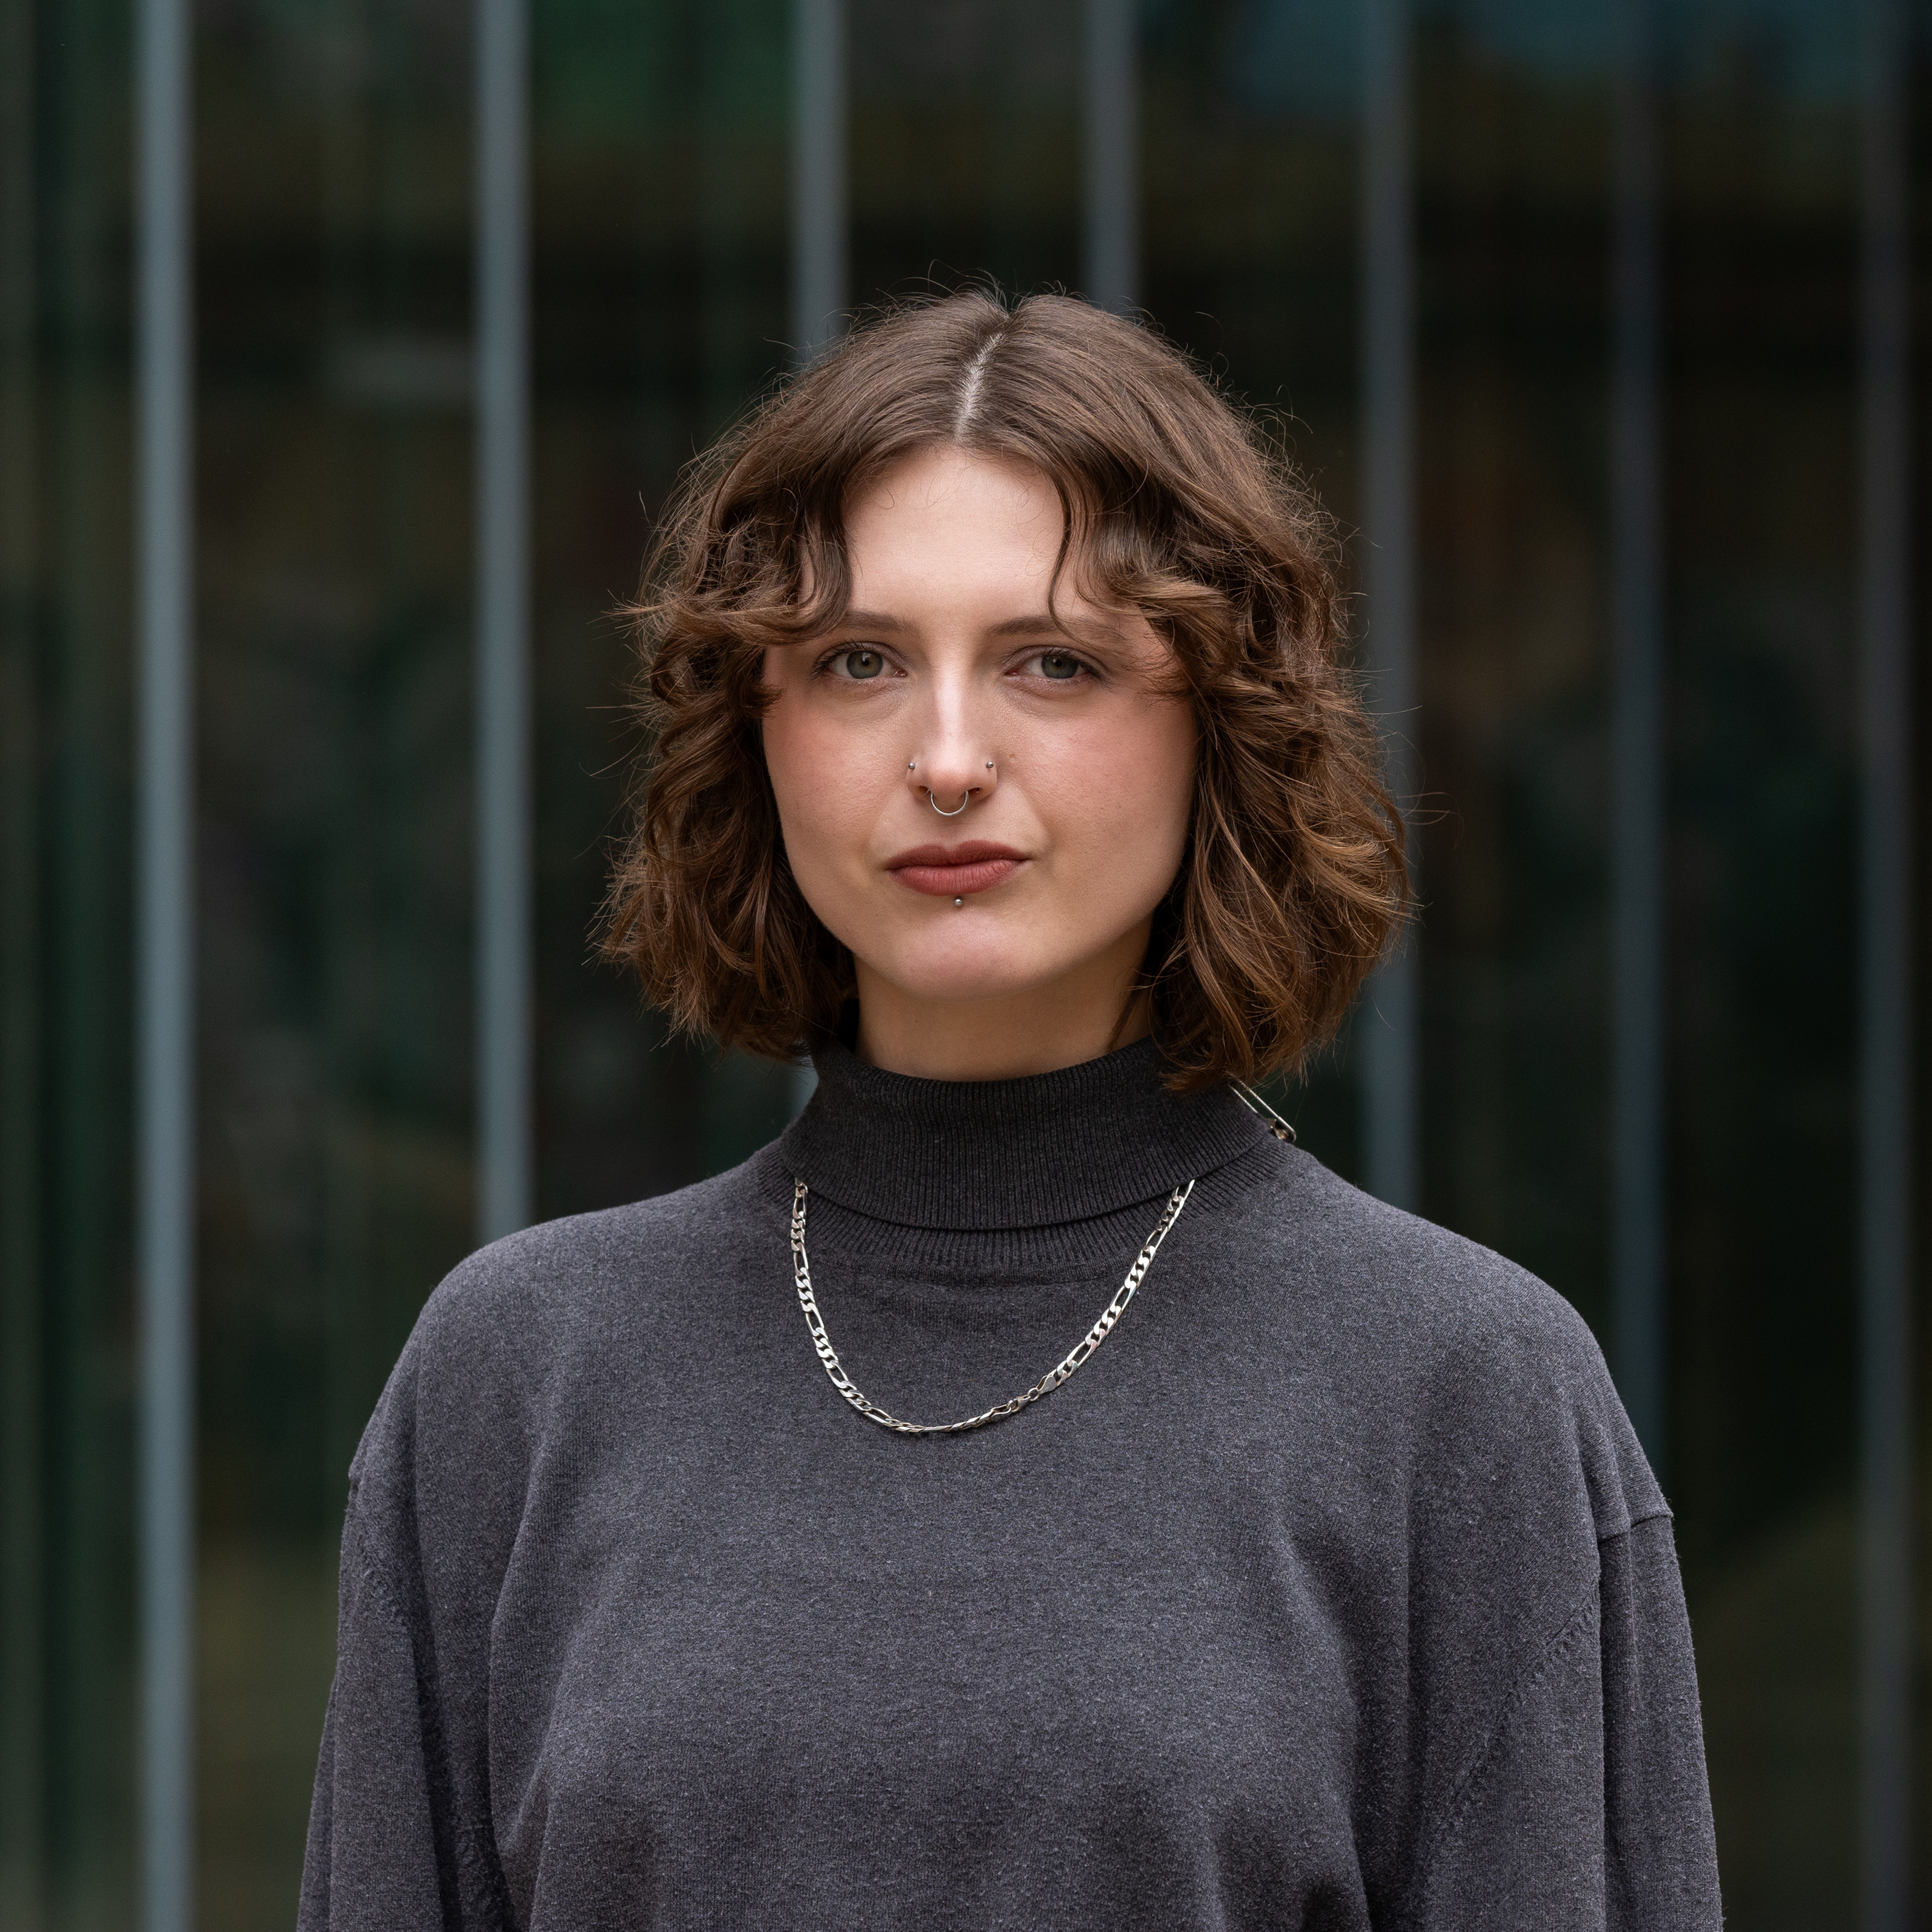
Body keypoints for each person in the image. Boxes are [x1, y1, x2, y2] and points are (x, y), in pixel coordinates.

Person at [298, 290, 1721, 1930]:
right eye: (860, 662)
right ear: (757, 732)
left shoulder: (1461, 1395)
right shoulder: (519, 1374)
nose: (949, 757)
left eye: (1055, 662)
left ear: (1222, 723)